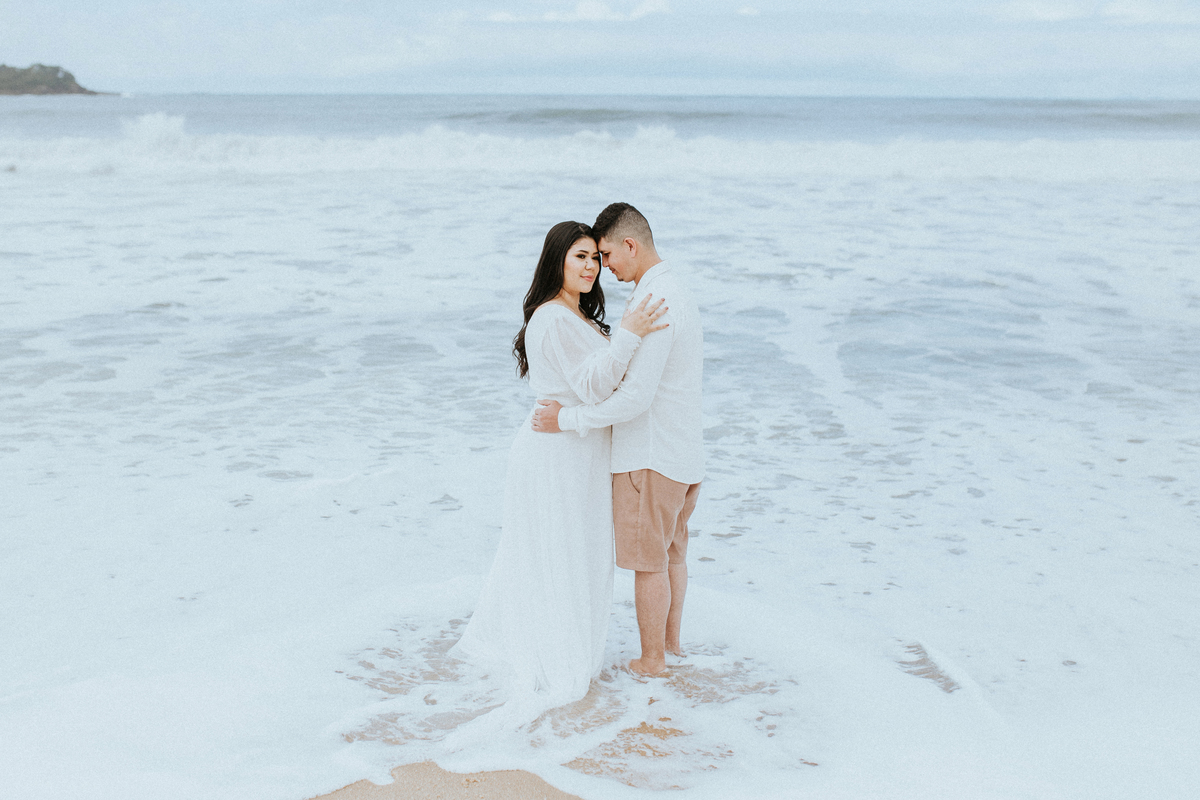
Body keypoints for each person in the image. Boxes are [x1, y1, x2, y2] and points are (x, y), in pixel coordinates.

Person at [450, 220, 668, 717]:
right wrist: (630, 335)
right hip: (557, 454)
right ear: (557, 261)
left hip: (579, 451)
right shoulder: (551, 317)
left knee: (580, 554)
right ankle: (555, 660)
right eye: (580, 257)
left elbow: (601, 382)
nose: (591, 267)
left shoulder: (580, 317)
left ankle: (570, 652)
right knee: (560, 555)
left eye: (595, 258)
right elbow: (594, 386)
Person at [534, 203, 704, 677]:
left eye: (605, 255)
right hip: (684, 453)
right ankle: (671, 647)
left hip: (649, 455)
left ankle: (652, 661)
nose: (603, 267)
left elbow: (634, 397)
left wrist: (567, 419)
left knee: (649, 563)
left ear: (630, 245)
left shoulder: (651, 300)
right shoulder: (677, 288)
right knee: (671, 555)